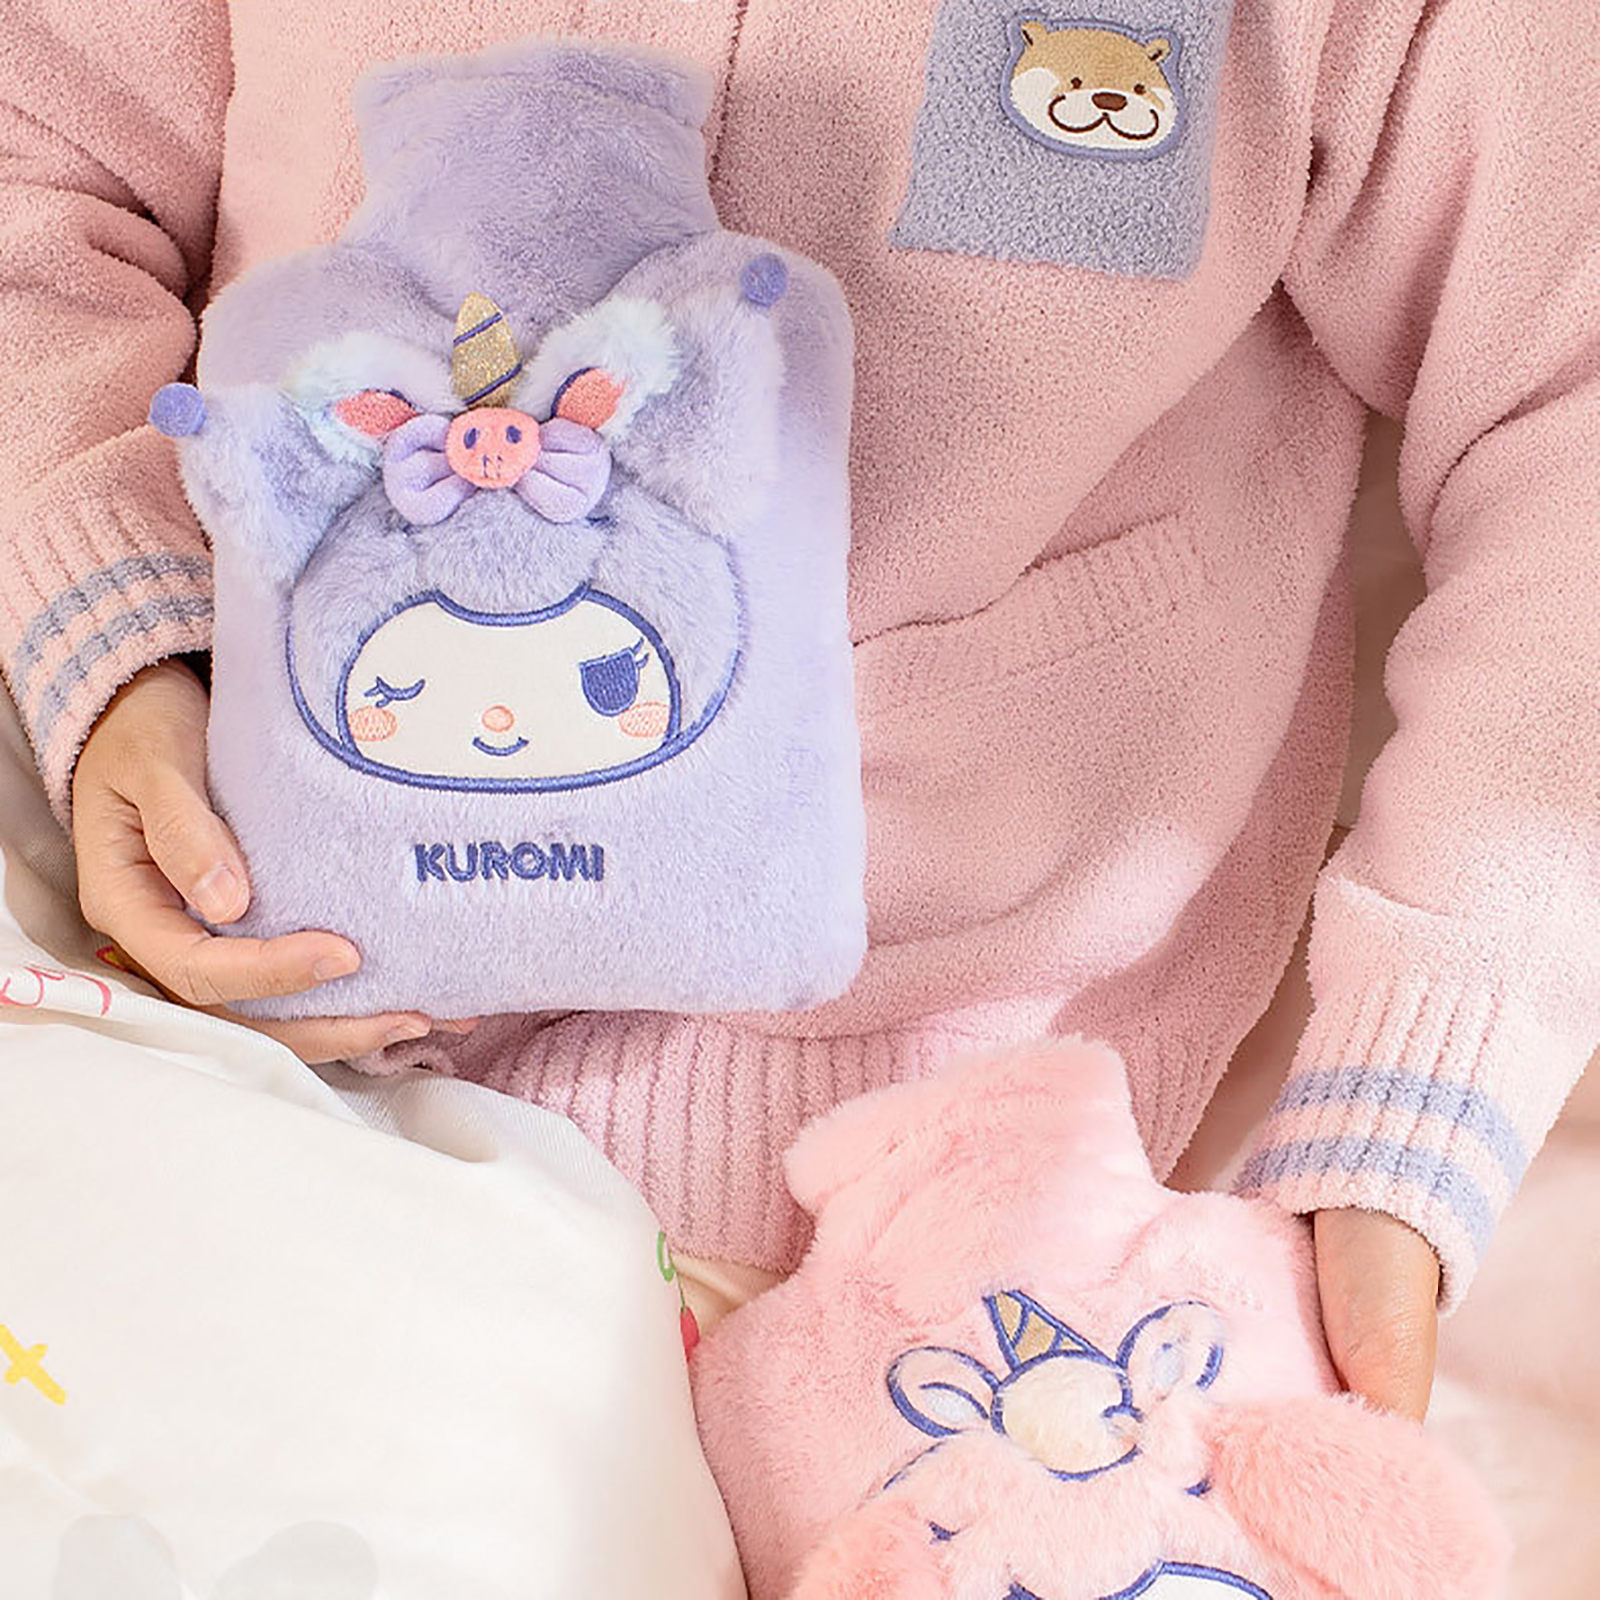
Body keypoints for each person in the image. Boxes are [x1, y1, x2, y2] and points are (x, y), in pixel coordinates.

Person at [2, 0, 1595, 1435]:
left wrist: (1425, 1066)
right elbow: (40, 146)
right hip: (215, 989)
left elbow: (1567, 391)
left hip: (975, 1144)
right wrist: (113, 625)